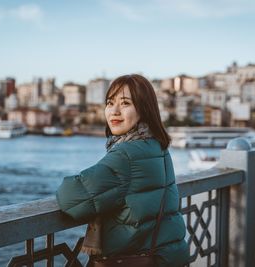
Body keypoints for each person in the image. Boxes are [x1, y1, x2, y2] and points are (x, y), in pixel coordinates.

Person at [56, 74, 188, 266]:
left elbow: (70, 198)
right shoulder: (157, 146)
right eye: (110, 103)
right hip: (168, 256)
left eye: (125, 103)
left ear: (144, 109)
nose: (114, 111)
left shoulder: (125, 155)